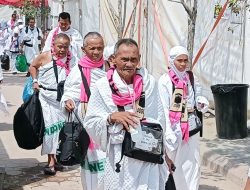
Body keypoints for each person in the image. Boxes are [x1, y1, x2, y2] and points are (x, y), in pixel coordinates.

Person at [83, 38, 171, 189]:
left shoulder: (149, 83)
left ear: (139, 59)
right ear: (114, 59)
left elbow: (159, 119)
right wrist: (111, 118)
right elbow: (90, 122)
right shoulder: (102, 86)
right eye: (124, 59)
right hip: (119, 156)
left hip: (147, 155)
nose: (129, 64)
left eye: (133, 59)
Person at [60, 32, 107, 190]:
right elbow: (69, 93)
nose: (96, 52)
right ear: (83, 49)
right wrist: (69, 102)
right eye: (92, 48)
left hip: (108, 126)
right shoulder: (77, 71)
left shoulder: (110, 68)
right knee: (92, 168)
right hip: (88, 127)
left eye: (99, 48)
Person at [158, 46, 209, 190]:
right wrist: (168, 132)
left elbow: (196, 96)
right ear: (172, 61)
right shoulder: (165, 81)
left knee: (192, 164)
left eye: (185, 61)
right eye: (179, 60)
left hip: (190, 129)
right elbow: (163, 109)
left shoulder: (191, 77)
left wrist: (200, 102)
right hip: (174, 130)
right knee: (173, 165)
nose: (183, 64)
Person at [29, 33, 76, 175]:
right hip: (46, 98)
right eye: (59, 46)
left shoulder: (72, 59)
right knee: (50, 129)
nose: (62, 50)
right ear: (54, 45)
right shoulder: (45, 56)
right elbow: (32, 66)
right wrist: (35, 81)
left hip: (63, 99)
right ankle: (50, 161)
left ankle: (57, 159)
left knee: (61, 130)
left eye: (65, 47)